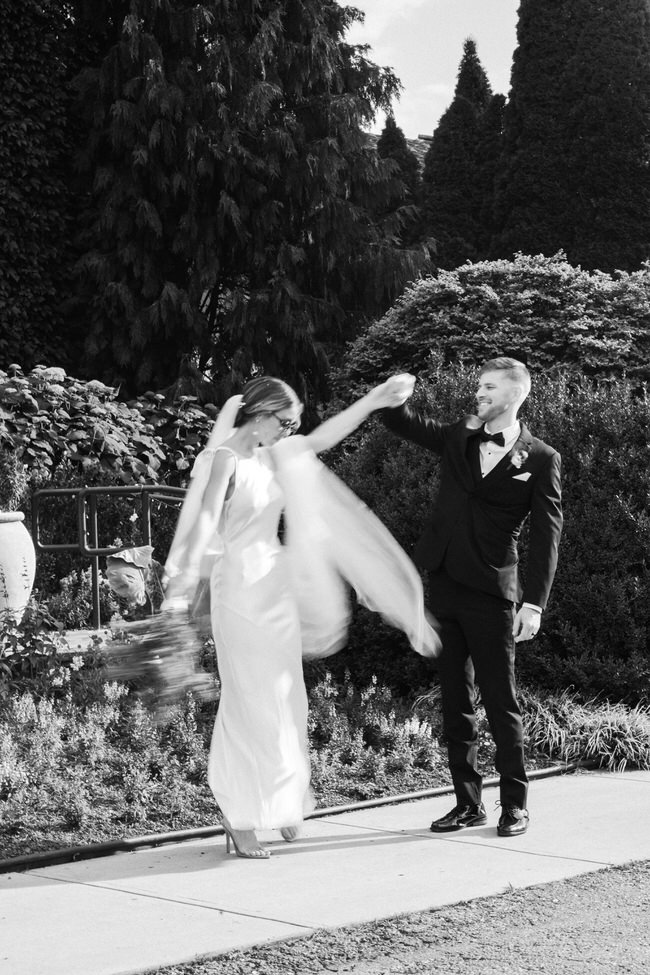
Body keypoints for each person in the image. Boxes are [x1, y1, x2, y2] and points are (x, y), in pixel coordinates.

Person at [163, 375, 439, 859]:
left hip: (275, 588)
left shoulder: (276, 455)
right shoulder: (224, 459)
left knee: (287, 698)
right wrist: (185, 582)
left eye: (292, 424)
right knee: (250, 698)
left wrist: (374, 399)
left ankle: (278, 799)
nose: (289, 431)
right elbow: (206, 520)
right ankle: (239, 811)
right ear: (260, 413)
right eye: (283, 422)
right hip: (239, 590)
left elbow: (323, 438)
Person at [382, 358, 562, 837]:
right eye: (478, 385)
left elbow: (547, 537)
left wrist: (534, 603)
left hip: (492, 594)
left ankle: (515, 806)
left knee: (502, 703)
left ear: (514, 393)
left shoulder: (541, 458)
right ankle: (467, 804)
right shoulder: (460, 434)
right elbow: (403, 423)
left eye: (487, 387)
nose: (477, 393)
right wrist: (394, 395)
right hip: (442, 587)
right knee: (455, 703)